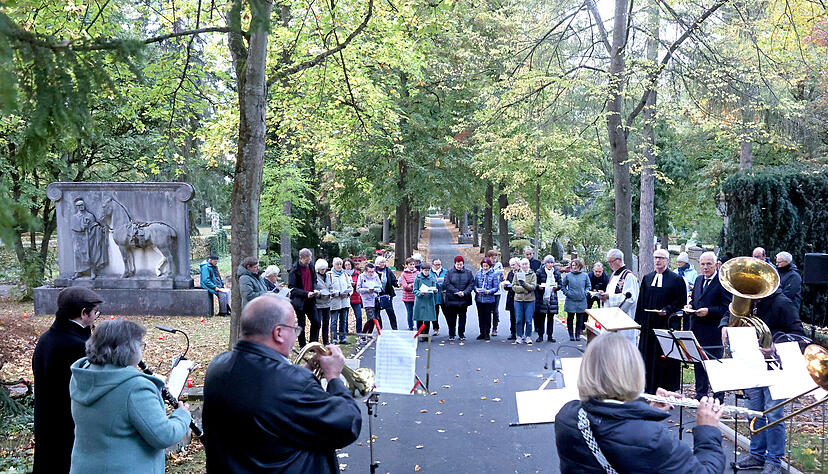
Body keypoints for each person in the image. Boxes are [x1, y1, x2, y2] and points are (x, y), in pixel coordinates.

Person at [203, 296, 361, 473]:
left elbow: (269, 399)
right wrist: (333, 376)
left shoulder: (218, 366)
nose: (295, 335)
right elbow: (348, 424)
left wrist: (299, 374)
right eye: (294, 328)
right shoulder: (293, 382)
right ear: (278, 333)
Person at [554, 332, 725, 474]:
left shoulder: (567, 415)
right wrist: (707, 430)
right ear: (633, 371)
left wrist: (646, 409)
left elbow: (614, 428)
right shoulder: (651, 437)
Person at [69, 319, 191, 474]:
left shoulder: (83, 376)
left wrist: (153, 395)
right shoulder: (135, 388)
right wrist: (182, 415)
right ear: (130, 350)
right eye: (141, 345)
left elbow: (111, 409)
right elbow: (164, 436)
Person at [722, 287, 804, 473]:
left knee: (773, 415)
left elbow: (799, 335)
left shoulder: (782, 303)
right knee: (753, 412)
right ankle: (757, 454)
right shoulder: (747, 300)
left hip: (775, 367)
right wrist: (724, 326)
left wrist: (775, 346)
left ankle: (774, 460)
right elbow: (730, 313)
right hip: (751, 364)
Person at [32, 287, 102, 473]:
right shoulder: (76, 346)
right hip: (67, 425)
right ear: (84, 313)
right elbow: (90, 388)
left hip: (46, 420)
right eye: (95, 312)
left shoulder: (47, 338)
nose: (96, 317)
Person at [635, 249, 688, 393]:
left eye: (661, 258)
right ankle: (647, 387)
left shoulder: (676, 280)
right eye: (655, 258)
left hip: (666, 325)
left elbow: (681, 302)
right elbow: (641, 302)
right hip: (648, 326)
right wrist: (639, 322)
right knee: (647, 356)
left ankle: (665, 388)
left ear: (667, 260)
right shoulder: (647, 278)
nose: (658, 260)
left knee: (664, 358)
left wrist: (667, 309)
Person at [685, 251, 731, 404]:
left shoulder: (722, 282)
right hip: (697, 329)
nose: (705, 267)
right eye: (703, 264)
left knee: (715, 365)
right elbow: (695, 300)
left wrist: (709, 311)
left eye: (709, 264)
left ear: (716, 264)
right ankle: (701, 395)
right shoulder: (698, 279)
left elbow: (727, 308)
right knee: (699, 364)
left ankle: (718, 398)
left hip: (714, 331)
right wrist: (690, 306)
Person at [599, 249, 639, 344]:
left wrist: (610, 297)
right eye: (608, 262)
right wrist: (604, 296)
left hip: (624, 321)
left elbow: (630, 299)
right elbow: (611, 293)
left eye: (611, 261)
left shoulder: (628, 276)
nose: (610, 264)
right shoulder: (613, 275)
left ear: (619, 260)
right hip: (611, 319)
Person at [288, 248, 319, 346]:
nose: (309, 261)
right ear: (301, 258)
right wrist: (306, 293)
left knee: (316, 322)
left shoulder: (311, 266)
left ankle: (313, 343)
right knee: (301, 324)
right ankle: (302, 345)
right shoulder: (294, 270)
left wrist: (315, 289)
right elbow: (292, 289)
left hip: (311, 300)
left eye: (310, 259)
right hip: (300, 301)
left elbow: (314, 280)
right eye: (307, 260)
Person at [443, 255, 475, 341]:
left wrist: (465, 292)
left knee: (462, 318)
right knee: (451, 318)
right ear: (455, 264)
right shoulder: (449, 273)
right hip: (452, 299)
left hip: (464, 299)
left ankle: (461, 334)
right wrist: (456, 291)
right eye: (458, 264)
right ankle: (452, 334)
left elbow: (471, 284)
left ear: (463, 264)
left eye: (461, 264)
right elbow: (447, 283)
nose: (459, 266)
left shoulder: (468, 273)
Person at [534, 256, 561, 343]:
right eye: (548, 263)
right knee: (541, 318)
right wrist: (539, 286)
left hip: (552, 297)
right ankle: (540, 336)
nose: (550, 264)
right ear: (545, 263)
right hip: (542, 297)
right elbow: (534, 283)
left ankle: (550, 336)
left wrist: (557, 287)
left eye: (551, 263)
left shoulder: (556, 272)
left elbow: (560, 284)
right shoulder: (539, 272)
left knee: (550, 318)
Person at [562, 258, 591, 341]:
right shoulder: (568, 276)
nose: (574, 267)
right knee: (570, 318)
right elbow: (563, 286)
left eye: (576, 265)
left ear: (580, 266)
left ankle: (578, 334)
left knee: (580, 318)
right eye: (573, 265)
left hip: (581, 300)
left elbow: (588, 286)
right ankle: (571, 334)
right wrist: (567, 293)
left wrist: (585, 292)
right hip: (570, 300)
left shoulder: (585, 275)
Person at [512, 257, 537, 345]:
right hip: (518, 300)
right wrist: (525, 289)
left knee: (528, 320)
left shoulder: (533, 274)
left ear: (529, 265)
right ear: (520, 265)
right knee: (518, 320)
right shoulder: (517, 274)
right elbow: (514, 286)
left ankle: (528, 336)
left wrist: (524, 284)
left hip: (530, 300)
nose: (525, 266)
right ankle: (519, 336)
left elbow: (533, 287)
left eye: (526, 264)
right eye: (523, 264)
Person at [473, 257, 499, 340]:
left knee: (487, 316)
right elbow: (474, 284)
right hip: (479, 298)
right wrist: (476, 290)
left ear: (489, 266)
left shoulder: (493, 274)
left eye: (487, 266)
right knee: (480, 316)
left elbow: (496, 287)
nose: (485, 268)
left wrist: (489, 291)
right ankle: (482, 332)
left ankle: (487, 332)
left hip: (489, 299)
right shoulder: (478, 273)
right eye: (484, 266)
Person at [330, 257, 353, 344]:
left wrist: (348, 294)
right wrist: (338, 293)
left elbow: (350, 287)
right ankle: (334, 338)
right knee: (334, 321)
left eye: (340, 264)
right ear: (333, 265)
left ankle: (342, 338)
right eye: (337, 264)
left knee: (343, 321)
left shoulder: (345, 274)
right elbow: (329, 288)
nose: (339, 266)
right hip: (335, 301)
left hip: (344, 301)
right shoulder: (330, 275)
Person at [413, 262, 439, 339]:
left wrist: (435, 291)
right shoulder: (418, 278)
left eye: (428, 270)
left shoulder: (432, 278)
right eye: (425, 270)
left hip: (429, 300)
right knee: (420, 318)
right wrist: (420, 293)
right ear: (422, 270)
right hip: (420, 301)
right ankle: (421, 334)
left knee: (427, 319)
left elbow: (434, 287)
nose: (426, 272)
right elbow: (414, 290)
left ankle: (426, 334)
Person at [357, 263, 384, 333]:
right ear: (366, 271)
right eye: (369, 272)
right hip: (367, 300)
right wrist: (367, 290)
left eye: (372, 271)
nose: (371, 273)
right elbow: (358, 289)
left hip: (375, 299)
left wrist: (375, 289)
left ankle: (369, 334)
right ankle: (363, 334)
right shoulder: (361, 277)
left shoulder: (376, 276)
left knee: (375, 318)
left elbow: (380, 287)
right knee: (371, 318)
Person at [375, 256, 399, 330]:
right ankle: (380, 329)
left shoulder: (388, 270)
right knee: (377, 313)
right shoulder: (374, 271)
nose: (383, 264)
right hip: (377, 295)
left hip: (387, 294)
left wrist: (398, 284)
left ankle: (394, 328)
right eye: (381, 262)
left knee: (390, 312)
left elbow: (393, 280)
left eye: (384, 262)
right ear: (377, 263)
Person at [314, 258, 333, 344]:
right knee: (317, 323)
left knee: (326, 323)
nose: (323, 271)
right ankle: (315, 341)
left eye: (324, 269)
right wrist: (320, 293)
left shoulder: (327, 276)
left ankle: (326, 341)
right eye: (322, 269)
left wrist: (332, 292)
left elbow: (330, 286)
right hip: (318, 303)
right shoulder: (315, 277)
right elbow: (314, 288)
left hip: (327, 303)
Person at [487, 250, 504, 336]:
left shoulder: (499, 265)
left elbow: (502, 278)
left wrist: (502, 277)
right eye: (492, 258)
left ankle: (495, 328)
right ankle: (487, 328)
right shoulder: (485, 264)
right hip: (488, 291)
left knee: (495, 310)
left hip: (497, 291)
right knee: (488, 310)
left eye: (495, 258)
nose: (494, 260)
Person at [344, 259, 362, 334]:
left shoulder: (357, 274)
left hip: (356, 297)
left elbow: (360, 284)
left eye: (349, 264)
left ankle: (359, 332)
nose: (347, 266)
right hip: (346, 297)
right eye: (346, 265)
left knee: (359, 316)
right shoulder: (342, 274)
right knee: (344, 318)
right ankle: (345, 333)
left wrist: (355, 284)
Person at [400, 257, 419, 331]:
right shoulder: (403, 274)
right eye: (410, 264)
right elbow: (405, 286)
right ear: (407, 265)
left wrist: (411, 285)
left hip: (416, 296)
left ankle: (419, 327)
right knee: (410, 312)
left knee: (417, 312)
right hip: (407, 297)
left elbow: (419, 284)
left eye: (413, 264)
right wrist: (413, 286)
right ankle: (410, 326)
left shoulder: (418, 273)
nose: (412, 266)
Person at [503, 258, 520, 340]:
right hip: (511, 296)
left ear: (518, 264)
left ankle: (519, 332)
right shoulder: (510, 273)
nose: (512, 266)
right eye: (511, 265)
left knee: (519, 316)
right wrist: (506, 285)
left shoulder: (521, 273)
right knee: (512, 316)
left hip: (519, 296)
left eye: (513, 265)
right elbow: (507, 284)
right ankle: (513, 332)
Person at [431, 259, 446, 336]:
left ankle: (451, 329)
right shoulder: (429, 272)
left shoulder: (445, 272)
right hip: (434, 296)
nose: (437, 266)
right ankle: (435, 328)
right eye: (436, 265)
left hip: (444, 295)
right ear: (432, 265)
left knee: (447, 313)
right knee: (434, 314)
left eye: (439, 264)